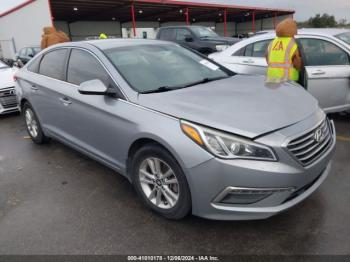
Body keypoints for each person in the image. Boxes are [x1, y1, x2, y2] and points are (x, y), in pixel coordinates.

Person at [266, 18, 303, 83]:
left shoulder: (272, 43)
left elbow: (267, 57)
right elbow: (297, 65)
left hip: (271, 78)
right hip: (288, 80)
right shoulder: (292, 43)